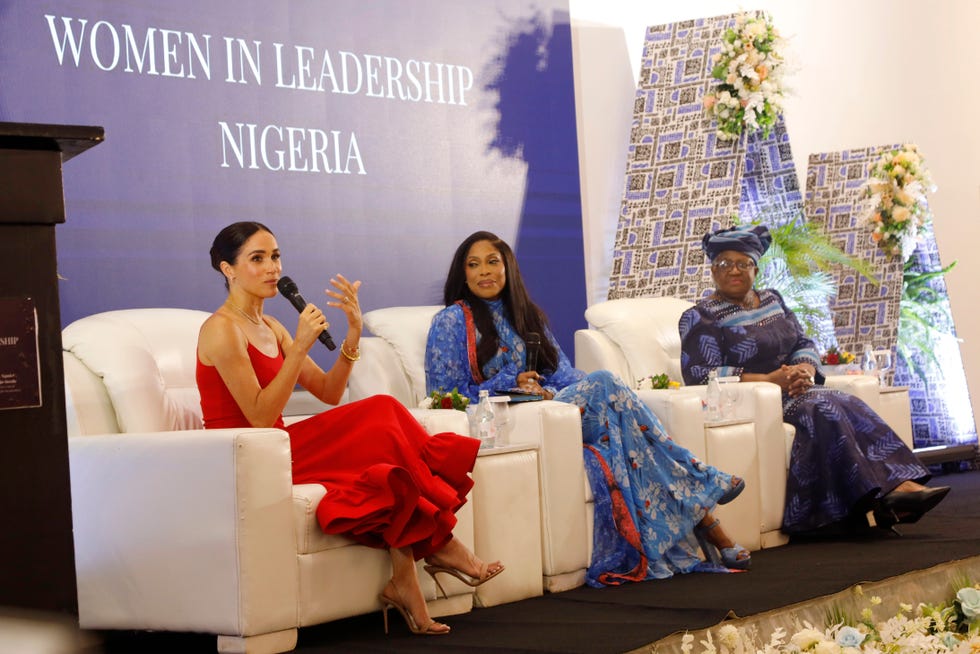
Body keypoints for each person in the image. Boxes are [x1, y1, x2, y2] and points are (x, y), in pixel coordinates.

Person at [196, 222, 503, 637]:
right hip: (244, 455)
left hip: (276, 446)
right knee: (381, 415)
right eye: (257, 259)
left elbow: (329, 391)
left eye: (275, 257)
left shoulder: (273, 328)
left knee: (385, 422)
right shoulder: (221, 329)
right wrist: (300, 347)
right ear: (227, 269)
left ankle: (406, 580)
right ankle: (441, 547)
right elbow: (257, 416)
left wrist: (353, 334)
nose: (272, 268)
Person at [425, 231, 750, 586]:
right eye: (474, 265)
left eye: (493, 262)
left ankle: (708, 516)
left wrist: (545, 391)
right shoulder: (452, 321)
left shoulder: (527, 315)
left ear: (508, 268)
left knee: (621, 427)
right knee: (605, 382)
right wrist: (509, 382)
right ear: (463, 272)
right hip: (507, 419)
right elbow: (445, 394)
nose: (484, 272)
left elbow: (564, 374)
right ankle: (704, 491)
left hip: (553, 412)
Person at [678, 224, 950, 536]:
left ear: (756, 268)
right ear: (713, 270)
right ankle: (887, 496)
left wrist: (804, 370)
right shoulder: (700, 316)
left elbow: (802, 343)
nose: (734, 271)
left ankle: (893, 491)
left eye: (743, 263)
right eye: (725, 264)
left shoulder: (772, 300)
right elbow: (699, 374)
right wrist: (768, 380)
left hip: (796, 389)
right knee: (825, 407)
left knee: (844, 399)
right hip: (751, 401)